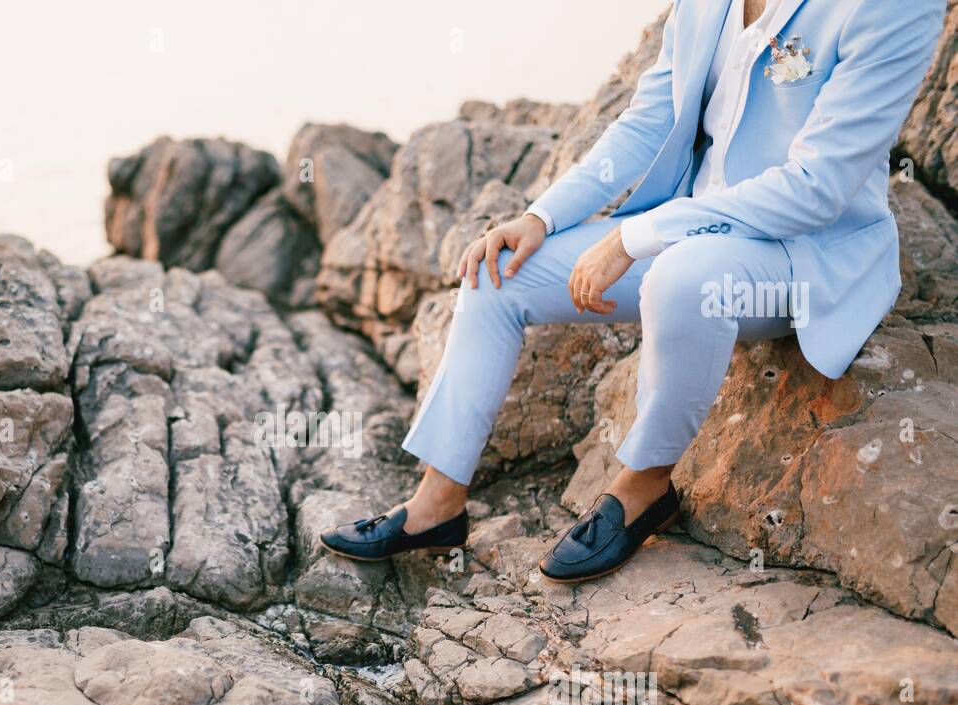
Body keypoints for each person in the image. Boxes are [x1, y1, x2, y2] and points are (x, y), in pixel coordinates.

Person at [321, 0, 945, 582]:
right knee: (497, 271)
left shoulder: (893, 5)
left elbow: (818, 185)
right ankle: (438, 504)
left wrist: (633, 238)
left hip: (797, 254)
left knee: (681, 278)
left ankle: (643, 486)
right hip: (691, 222)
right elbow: (648, 121)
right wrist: (542, 217)